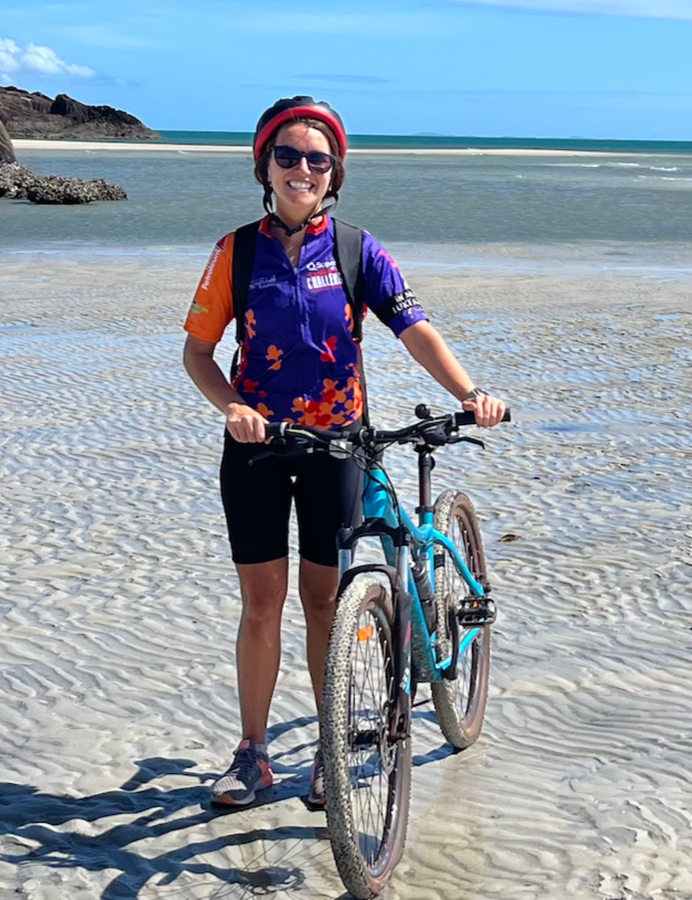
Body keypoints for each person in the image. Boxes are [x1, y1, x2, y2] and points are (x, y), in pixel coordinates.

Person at [181, 96, 507, 809]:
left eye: (318, 160)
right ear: (264, 166)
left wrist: (471, 392)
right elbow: (198, 353)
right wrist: (232, 407)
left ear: (335, 174)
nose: (302, 169)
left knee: (323, 602)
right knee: (260, 604)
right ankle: (253, 753)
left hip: (337, 447)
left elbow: (415, 329)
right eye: (288, 156)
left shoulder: (359, 251)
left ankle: (330, 750)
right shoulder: (236, 253)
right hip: (259, 450)